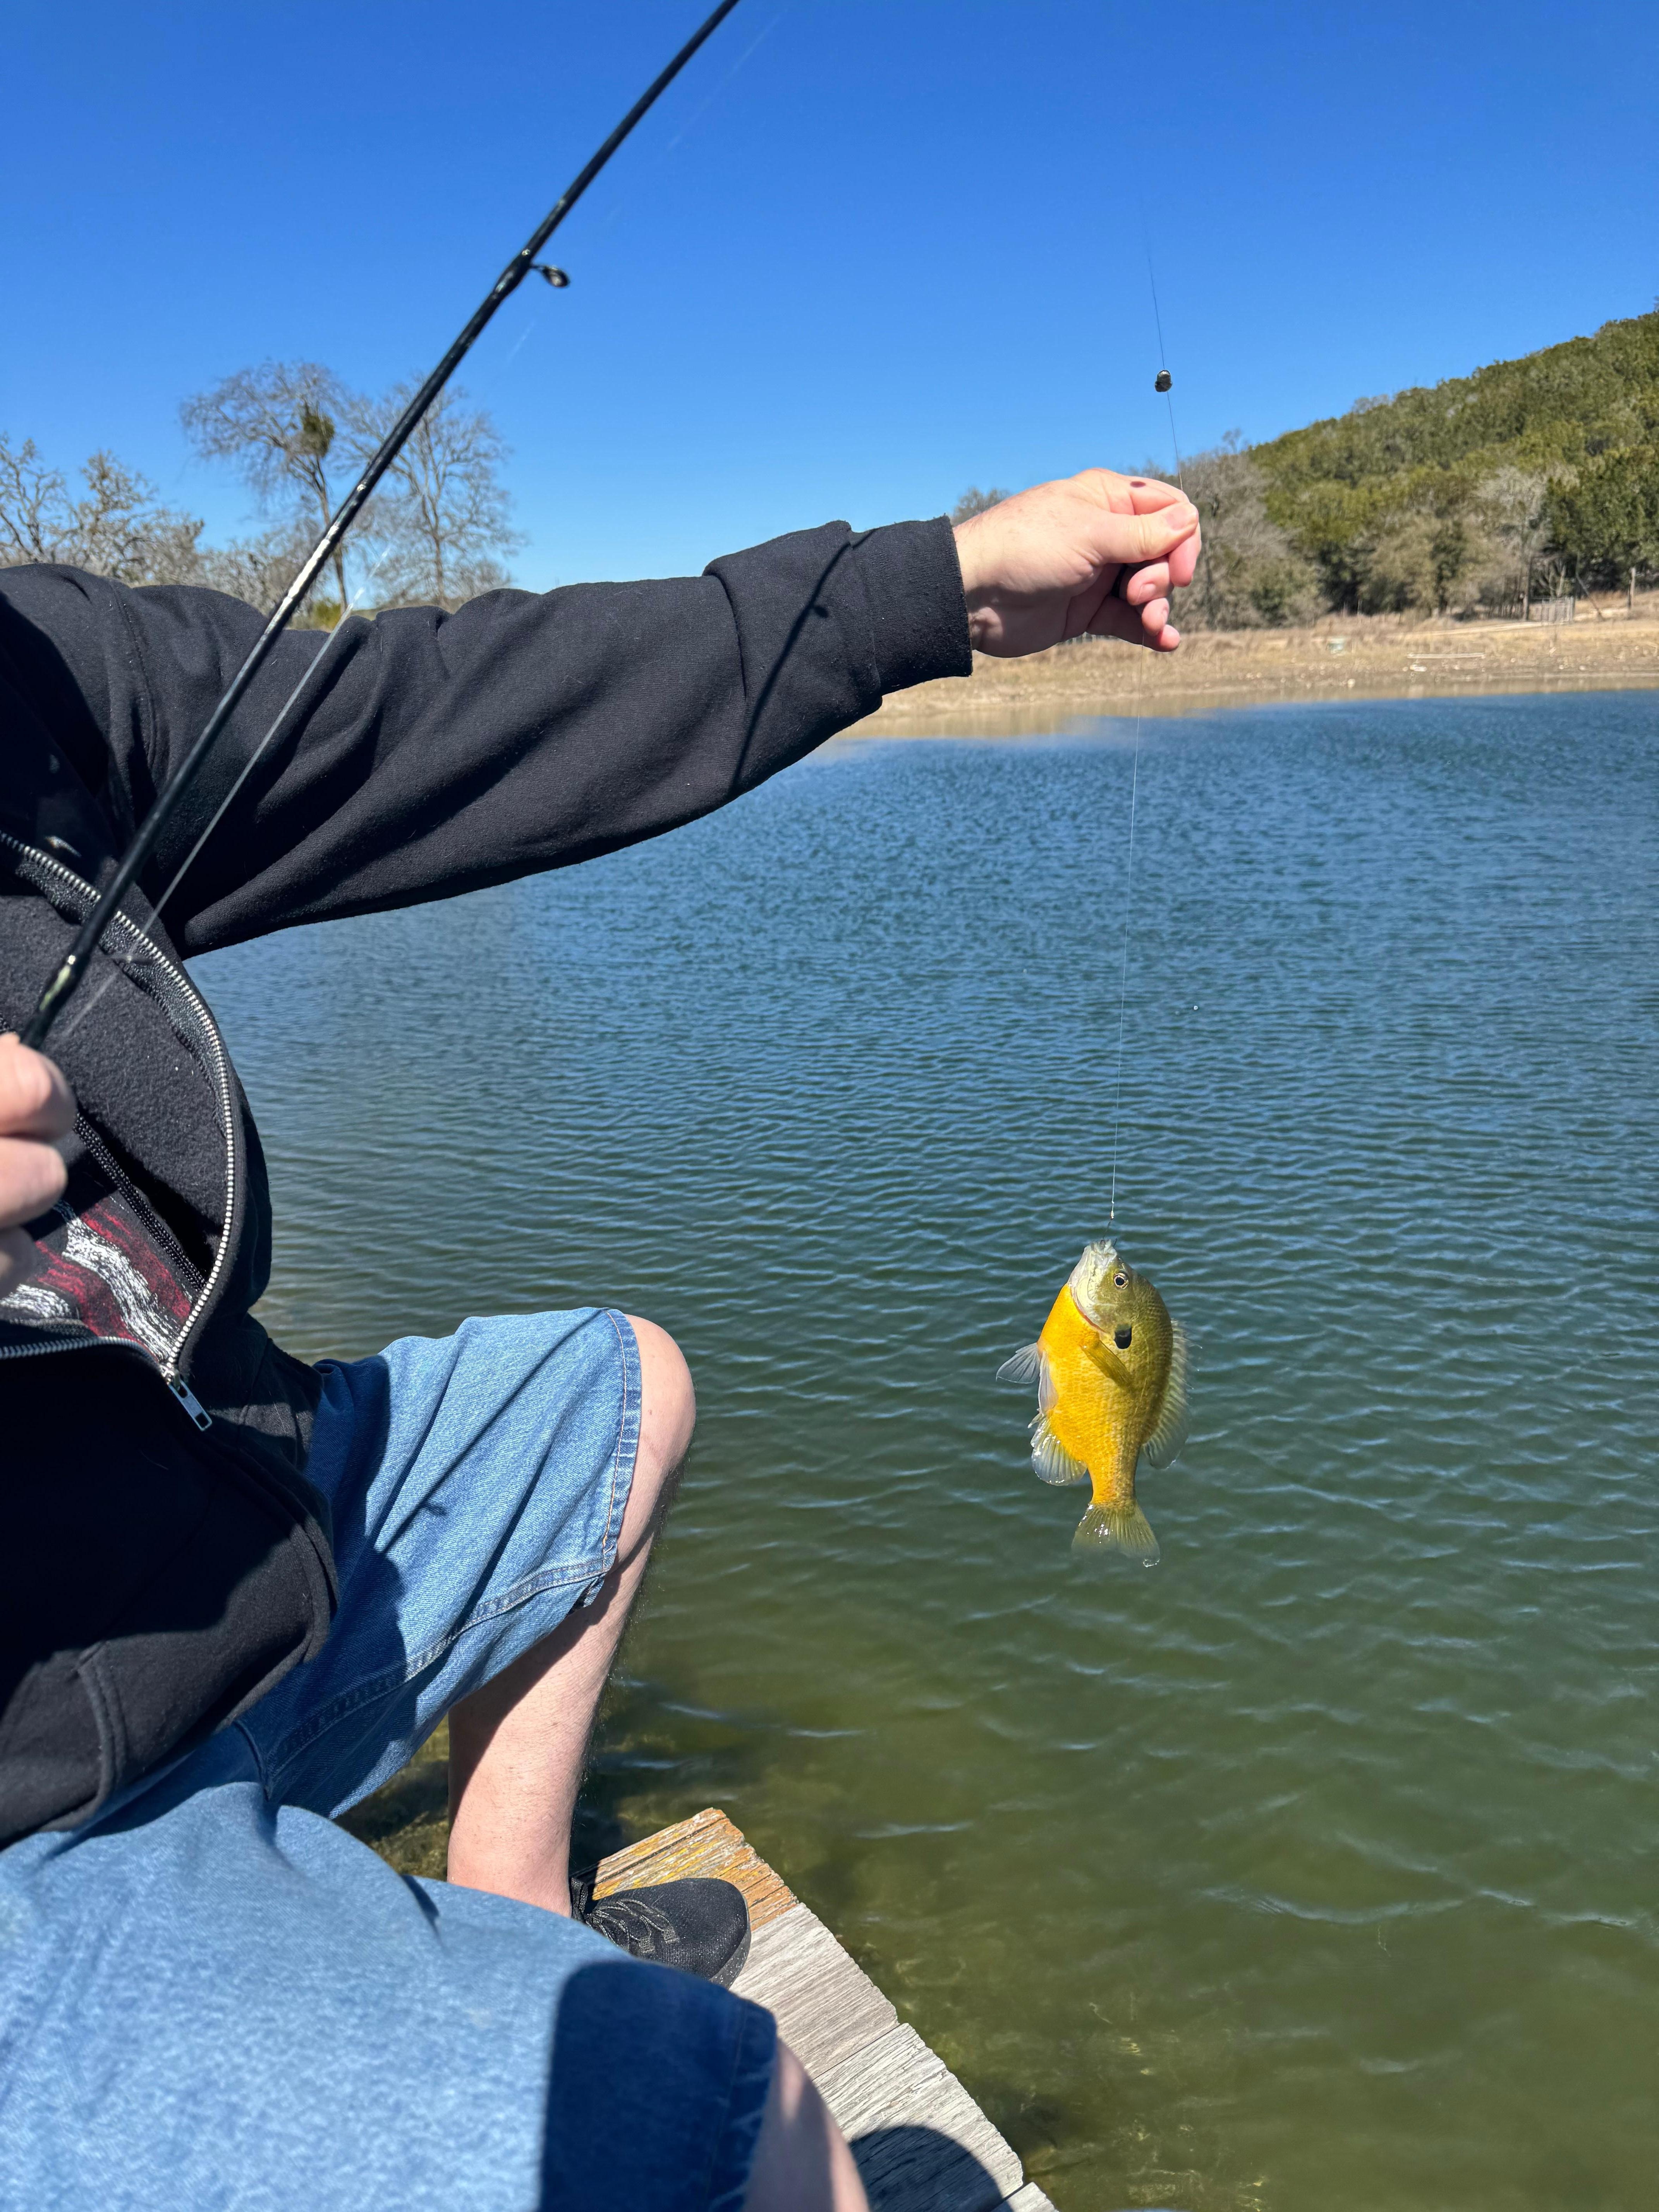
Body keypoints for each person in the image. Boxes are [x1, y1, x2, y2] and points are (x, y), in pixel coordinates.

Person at [0, 468, 1199, 2209]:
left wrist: (931, 591)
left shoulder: (35, 675)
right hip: (30, 1806)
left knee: (616, 1394)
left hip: (232, 1562)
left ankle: (513, 1915)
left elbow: (440, 705)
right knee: (726, 2124)